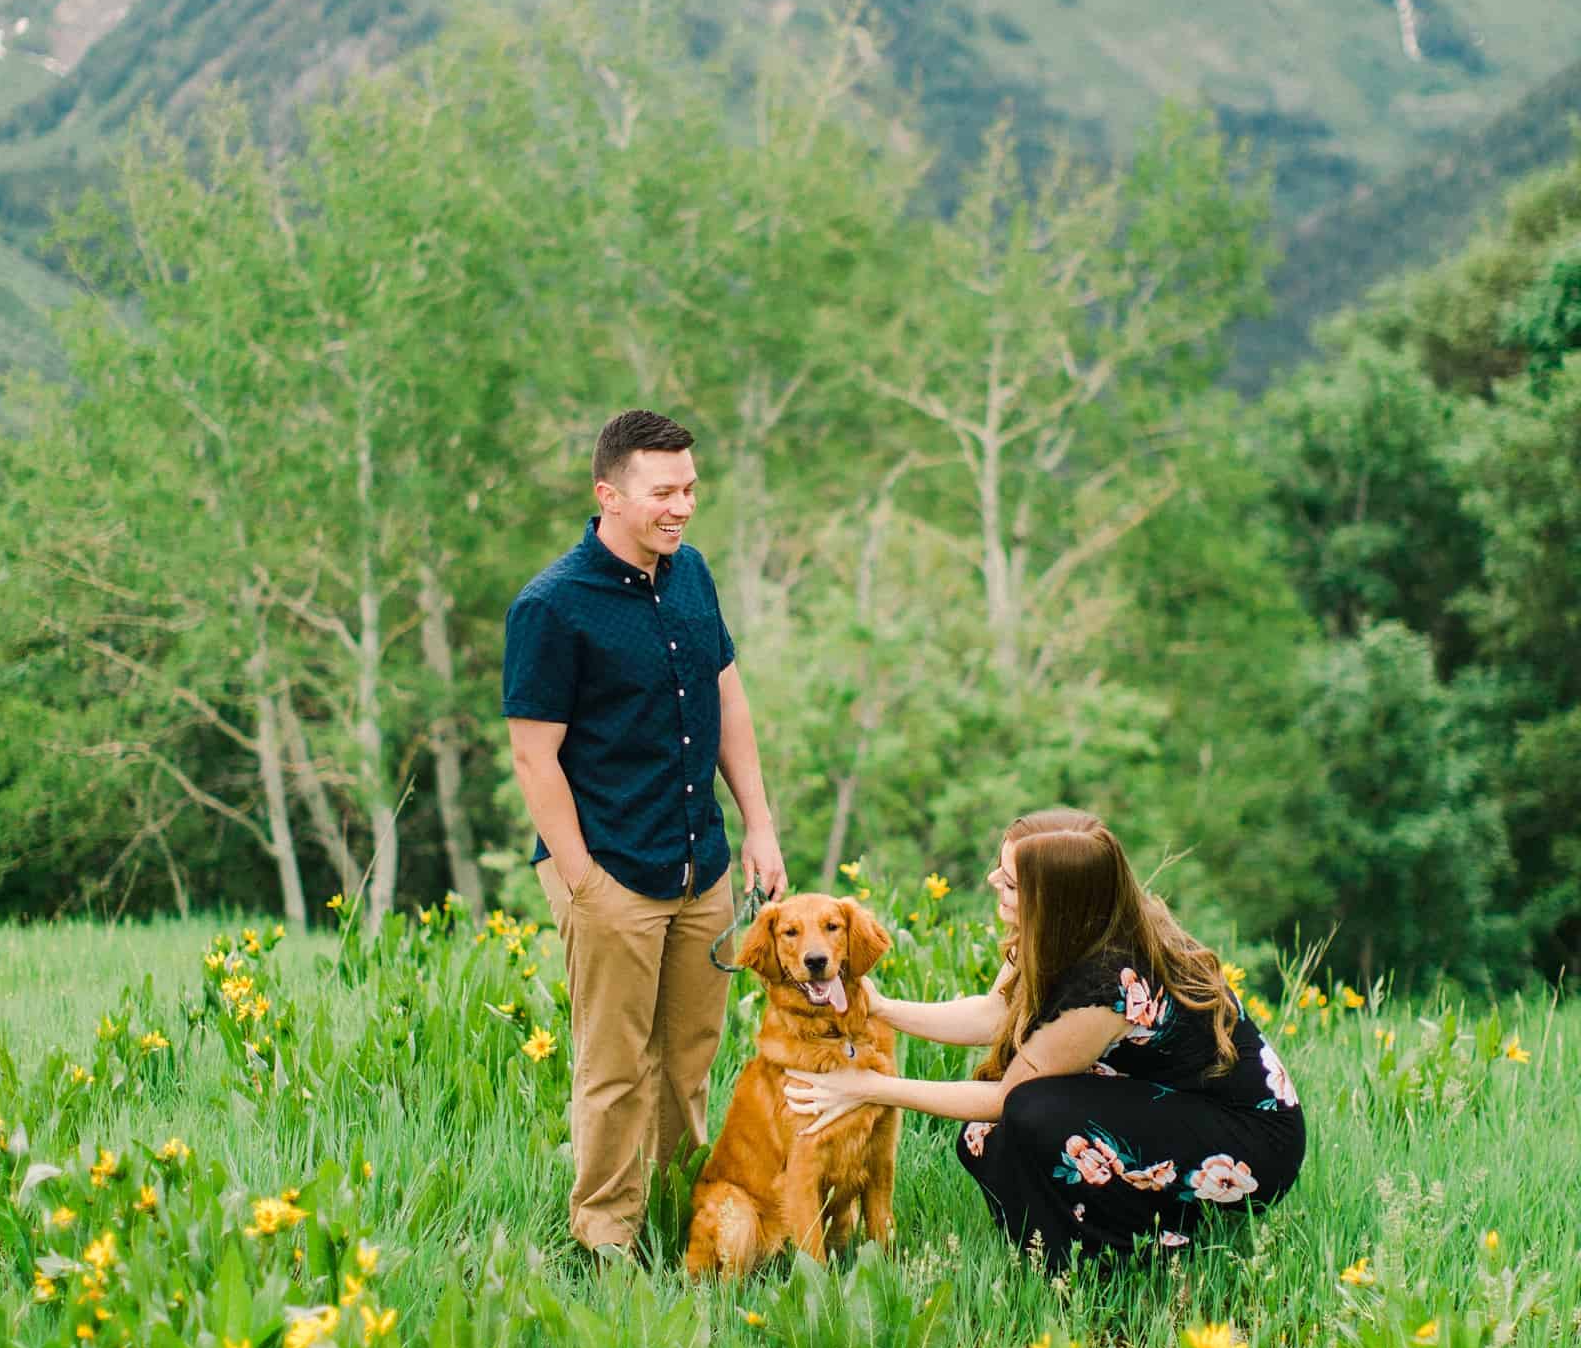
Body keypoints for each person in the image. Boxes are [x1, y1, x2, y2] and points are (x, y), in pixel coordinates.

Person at [783, 807, 1304, 1268]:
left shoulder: (1109, 980)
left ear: (1054, 899)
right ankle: (1049, 1252)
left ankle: (1130, 1251)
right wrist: (882, 1007)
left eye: (1010, 882)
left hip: (1248, 1136)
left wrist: (868, 1086)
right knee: (986, 1139)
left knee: (1028, 1112)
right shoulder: (1064, 928)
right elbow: (992, 1015)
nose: (992, 881)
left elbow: (1004, 1097)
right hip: (1170, 1099)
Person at [504, 408, 787, 1256]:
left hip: (701, 861)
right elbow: (533, 755)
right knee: (614, 1068)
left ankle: (678, 1217)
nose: (683, 506)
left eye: (691, 487)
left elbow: (728, 698)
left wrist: (759, 826)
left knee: (689, 1057)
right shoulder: (551, 607)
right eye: (664, 491)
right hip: (612, 872)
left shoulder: (691, 573)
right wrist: (583, 879)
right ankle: (604, 1239)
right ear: (609, 494)